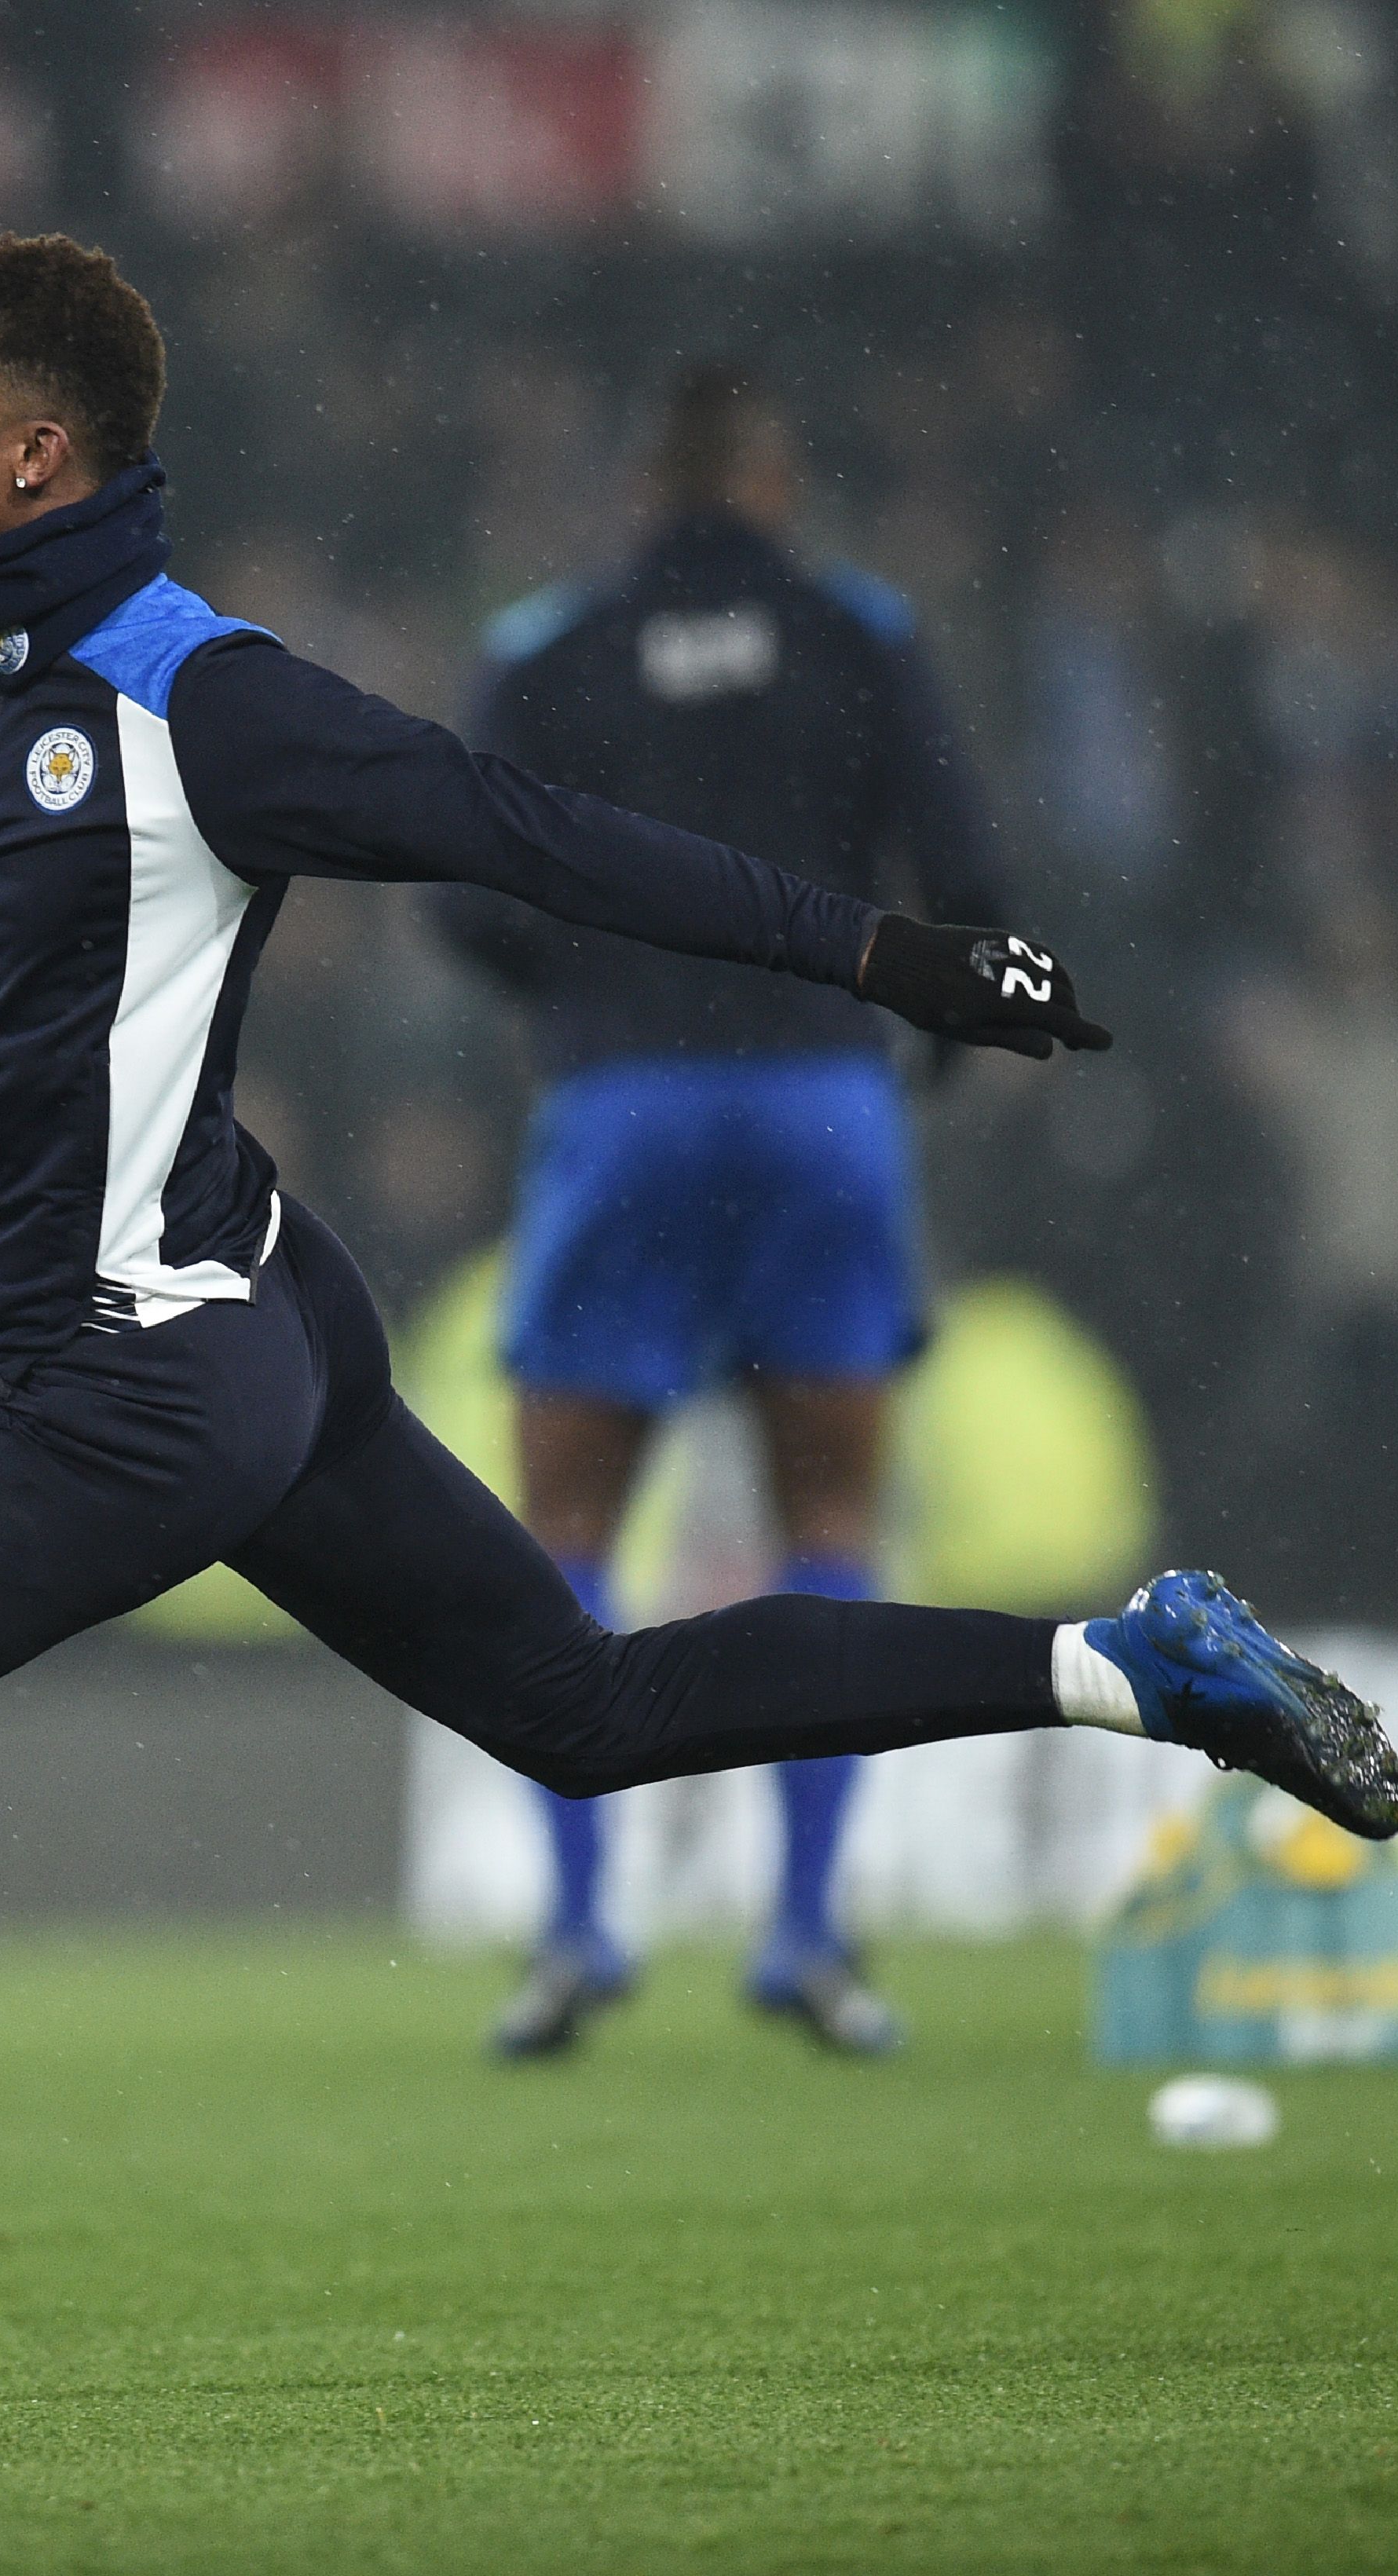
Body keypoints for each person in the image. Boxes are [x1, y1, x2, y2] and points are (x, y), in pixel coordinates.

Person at [0, 235, 1398, 2385]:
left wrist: (899, 957)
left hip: (144, 1375)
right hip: (254, 1304)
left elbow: (531, 831)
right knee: (585, 1707)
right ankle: (1135, 1669)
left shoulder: (197, 697)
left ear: (31, 458)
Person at [434, 362, 1010, 2062]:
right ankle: (811, 1936)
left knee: (562, 1532)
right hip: (819, 1097)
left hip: (621, 1102)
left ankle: (574, 1930)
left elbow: (460, 892)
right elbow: (964, 880)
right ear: (774, 485)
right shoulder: (859, 631)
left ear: (640, 495)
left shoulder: (549, 645)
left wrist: (590, 991)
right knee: (827, 1518)